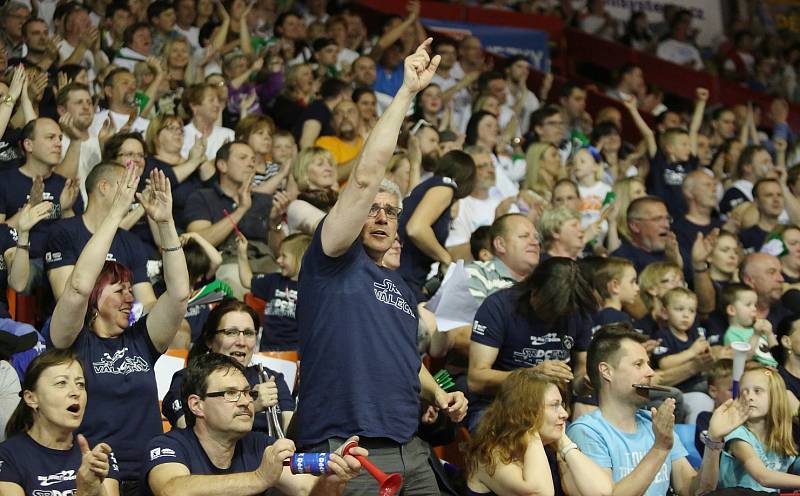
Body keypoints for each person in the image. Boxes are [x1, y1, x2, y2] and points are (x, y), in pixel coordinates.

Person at [293, 38, 468, 494]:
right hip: (347, 446)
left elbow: (406, 361)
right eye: (373, 208)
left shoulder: (402, 289)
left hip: (410, 444)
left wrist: (438, 394)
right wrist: (407, 94)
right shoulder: (332, 258)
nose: (382, 217)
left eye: (392, 212)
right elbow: (367, 175)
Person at [45, 165, 190, 489]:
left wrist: (165, 223)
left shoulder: (142, 339)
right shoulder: (71, 340)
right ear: (96, 296)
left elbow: (180, 294)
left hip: (154, 469)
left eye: (130, 288)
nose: (130, 298)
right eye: (118, 290)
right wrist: (116, 214)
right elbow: (78, 286)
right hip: (93, 470)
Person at [144, 353, 366, 496]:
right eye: (231, 393)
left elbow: (307, 490)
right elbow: (171, 489)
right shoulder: (168, 445)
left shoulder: (261, 446)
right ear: (197, 405)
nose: (245, 402)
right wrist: (259, 478)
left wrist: (332, 480)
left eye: (247, 393)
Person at [568, 323, 750, 496]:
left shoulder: (653, 422)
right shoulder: (587, 432)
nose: (650, 372)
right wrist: (660, 447)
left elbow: (694, 489)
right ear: (607, 371)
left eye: (648, 364)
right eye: (638, 364)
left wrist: (713, 441)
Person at [468, 257, 597, 430]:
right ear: (534, 290)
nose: (554, 317)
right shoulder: (499, 307)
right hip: (499, 406)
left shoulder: (576, 310)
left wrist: (585, 382)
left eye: (562, 313)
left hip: (554, 410)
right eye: (550, 310)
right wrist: (531, 374)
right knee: (521, 445)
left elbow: (580, 373)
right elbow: (476, 379)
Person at [464, 369, 613, 496]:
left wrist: (564, 443)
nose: (564, 414)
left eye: (562, 404)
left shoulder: (552, 449)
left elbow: (601, 492)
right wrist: (531, 430)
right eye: (554, 405)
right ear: (527, 410)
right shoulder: (490, 455)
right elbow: (540, 493)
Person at [0, 349, 121, 496]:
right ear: (31, 398)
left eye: (80, 384)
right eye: (61, 383)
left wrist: (98, 491)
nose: (75, 392)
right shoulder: (7, 457)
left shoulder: (96, 454)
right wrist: (84, 492)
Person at [162, 299, 294, 431]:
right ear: (210, 340)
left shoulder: (270, 378)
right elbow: (189, 432)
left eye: (248, 333)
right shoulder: (188, 378)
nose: (241, 342)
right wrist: (251, 406)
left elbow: (290, 434)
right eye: (231, 332)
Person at [398, 149, 476, 301]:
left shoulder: (428, 186)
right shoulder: (446, 186)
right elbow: (416, 228)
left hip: (405, 275)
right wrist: (445, 257)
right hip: (403, 277)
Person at [718, 366, 800, 492]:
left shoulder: (780, 438)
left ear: (776, 397)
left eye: (757, 391)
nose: (749, 397)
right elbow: (763, 477)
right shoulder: (737, 434)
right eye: (744, 392)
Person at [236, 233, 311, 351]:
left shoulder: (311, 289)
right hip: (267, 351)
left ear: (300, 258)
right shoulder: (274, 280)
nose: (278, 260)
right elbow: (247, 281)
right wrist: (241, 254)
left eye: (284, 256)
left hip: (294, 354)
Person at [722, 283, 779, 367]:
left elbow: (778, 354)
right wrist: (756, 335)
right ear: (731, 310)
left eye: (755, 305)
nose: (754, 309)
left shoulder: (757, 329)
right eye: (748, 305)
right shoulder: (731, 334)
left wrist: (770, 334)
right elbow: (744, 358)